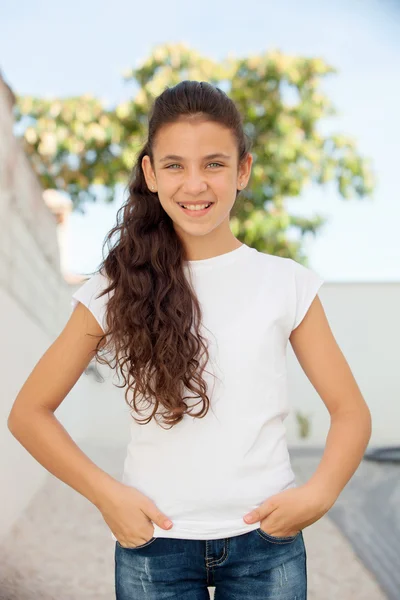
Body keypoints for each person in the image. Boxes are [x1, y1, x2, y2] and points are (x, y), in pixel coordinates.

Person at [8, 80, 372, 600]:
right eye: (175, 165)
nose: (195, 184)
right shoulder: (114, 287)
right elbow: (28, 412)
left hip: (266, 544)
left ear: (243, 170)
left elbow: (351, 412)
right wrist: (107, 496)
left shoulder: (286, 282)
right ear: (150, 173)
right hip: (154, 543)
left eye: (215, 164)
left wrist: (320, 494)